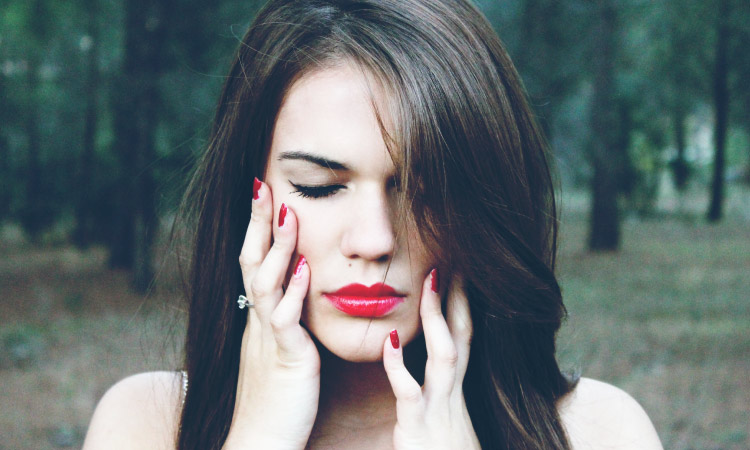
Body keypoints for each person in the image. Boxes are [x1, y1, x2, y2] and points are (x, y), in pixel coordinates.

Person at [82, 0, 663, 448]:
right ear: (248, 197)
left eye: (426, 191)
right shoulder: (147, 424)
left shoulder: (598, 431)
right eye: (319, 186)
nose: (375, 240)